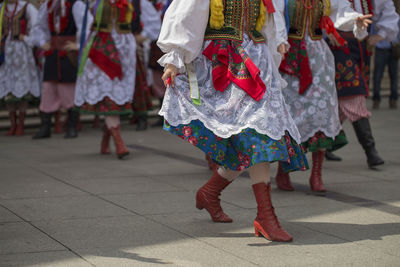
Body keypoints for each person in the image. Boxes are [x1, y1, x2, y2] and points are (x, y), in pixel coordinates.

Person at [158, 0, 308, 242]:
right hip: (224, 62)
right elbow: (187, 13)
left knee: (258, 136)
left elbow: (271, 17)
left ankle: (214, 193)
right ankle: (264, 215)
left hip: (258, 63)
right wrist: (174, 58)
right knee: (252, 138)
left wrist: (278, 41)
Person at [276, 0, 372, 192]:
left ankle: (317, 174)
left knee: (322, 112)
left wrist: (355, 19)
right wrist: (278, 41)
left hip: (319, 59)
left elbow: (340, 11)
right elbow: (275, 18)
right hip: (291, 57)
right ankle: (283, 171)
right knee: (290, 116)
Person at [327, 0, 399, 168]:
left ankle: (325, 143)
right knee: (354, 96)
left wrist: (380, 35)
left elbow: (389, 15)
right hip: (339, 47)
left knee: (342, 102)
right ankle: (370, 151)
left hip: (362, 49)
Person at [73, 0, 137, 159]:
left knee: (116, 96)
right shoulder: (94, 2)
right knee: (109, 96)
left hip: (124, 50)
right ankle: (119, 142)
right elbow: (85, 25)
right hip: (101, 50)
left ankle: (106, 138)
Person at [30, 0, 80, 139]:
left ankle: (71, 126)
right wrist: (42, 42)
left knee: (69, 90)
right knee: (48, 89)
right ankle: (45, 127)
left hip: (68, 54)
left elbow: (87, 27)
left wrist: (78, 44)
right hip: (53, 54)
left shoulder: (76, 4)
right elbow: (39, 27)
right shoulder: (48, 5)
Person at [0, 0, 40, 136]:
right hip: (6, 53)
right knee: (7, 88)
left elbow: (36, 28)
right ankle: (13, 124)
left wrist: (26, 38)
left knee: (22, 88)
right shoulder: (2, 8)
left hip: (22, 52)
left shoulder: (27, 8)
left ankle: (21, 124)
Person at [131, 0, 161, 131]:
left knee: (140, 81)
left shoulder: (141, 4)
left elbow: (155, 27)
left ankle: (142, 117)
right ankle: (135, 114)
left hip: (137, 48)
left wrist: (141, 37)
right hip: (121, 47)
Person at [372, 0, 400, 110]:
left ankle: (393, 98)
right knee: (378, 75)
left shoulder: (395, 17)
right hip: (381, 47)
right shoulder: (377, 14)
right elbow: (374, 29)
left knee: (394, 76)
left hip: (392, 49)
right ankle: (376, 98)